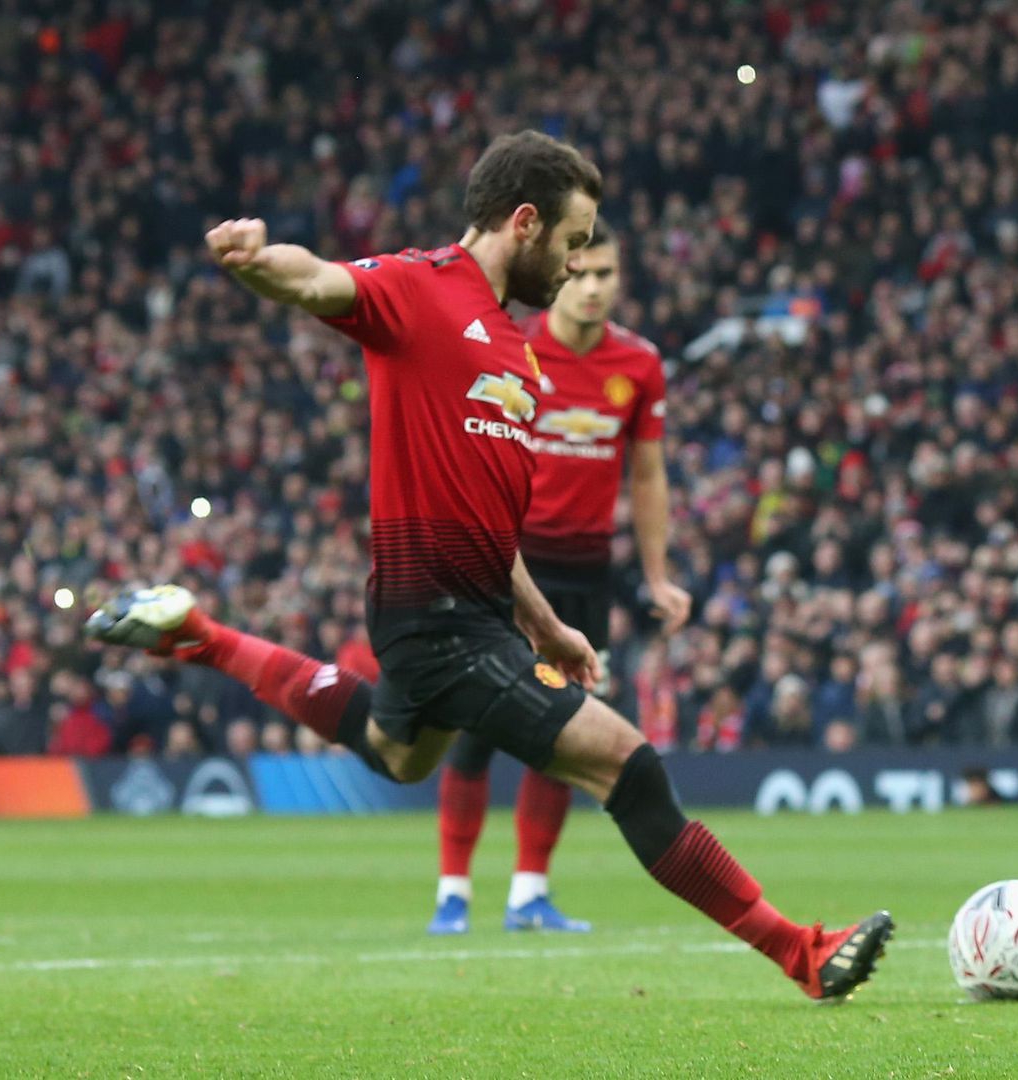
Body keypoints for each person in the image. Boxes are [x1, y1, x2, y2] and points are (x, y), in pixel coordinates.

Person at [87, 130, 891, 1002]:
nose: (579, 262)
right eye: (574, 240)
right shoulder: (419, 289)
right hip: (439, 620)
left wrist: (546, 626)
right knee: (628, 766)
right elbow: (319, 277)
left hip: (463, 614)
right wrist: (253, 261)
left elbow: (492, 527)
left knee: (398, 756)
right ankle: (800, 951)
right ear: (524, 222)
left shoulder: (516, 351)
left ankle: (199, 634)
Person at [430, 224, 694, 937]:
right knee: (477, 731)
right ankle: (452, 892)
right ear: (560, 275)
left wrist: (657, 575)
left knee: (563, 734)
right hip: (506, 567)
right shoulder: (512, 347)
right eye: (581, 272)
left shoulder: (638, 364)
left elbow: (647, 474)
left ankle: (528, 894)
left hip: (586, 575)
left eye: (606, 272)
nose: (594, 286)